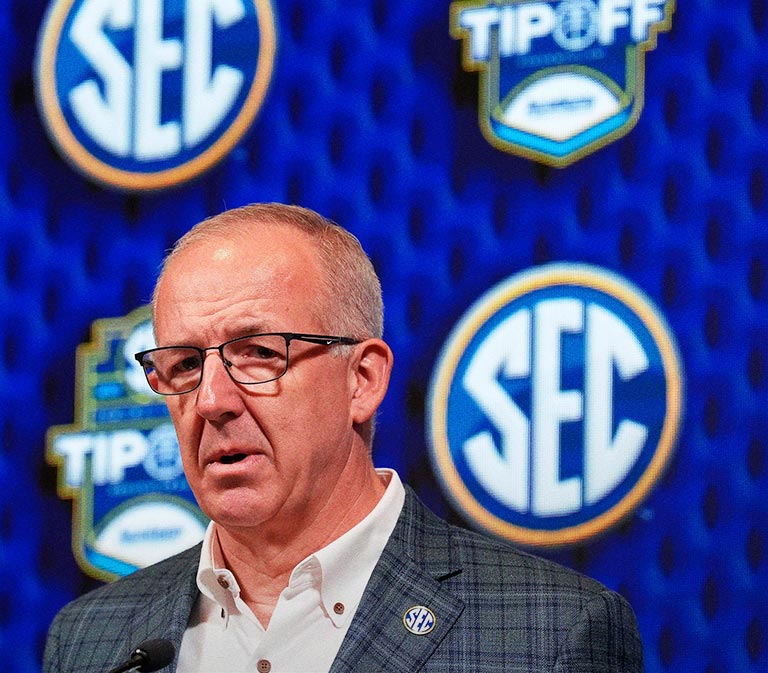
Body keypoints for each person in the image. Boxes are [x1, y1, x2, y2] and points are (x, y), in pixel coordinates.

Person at [43, 203, 643, 673]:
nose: (211, 401)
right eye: (183, 364)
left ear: (363, 379)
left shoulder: (549, 633)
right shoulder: (95, 640)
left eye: (258, 354)